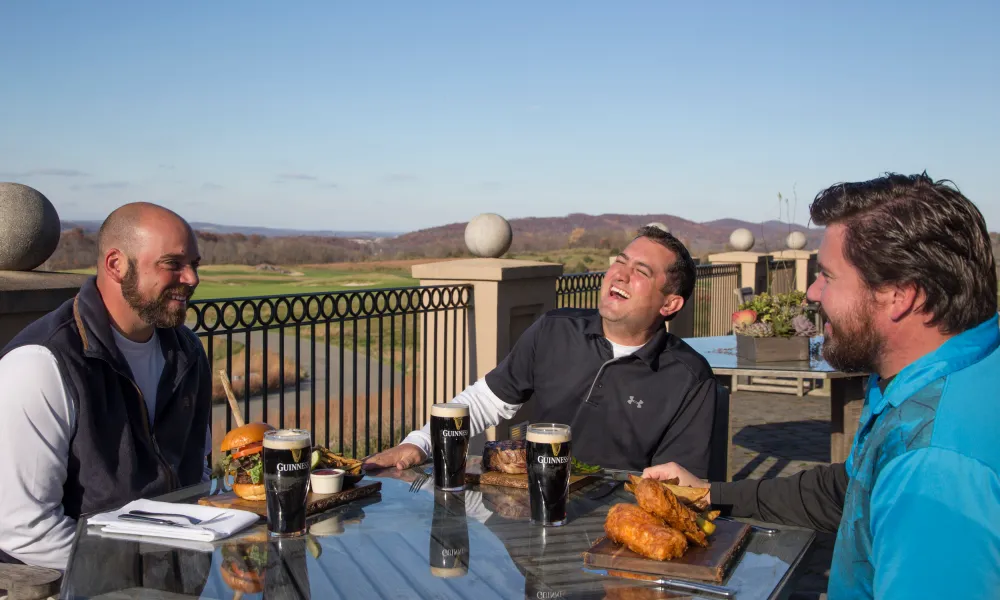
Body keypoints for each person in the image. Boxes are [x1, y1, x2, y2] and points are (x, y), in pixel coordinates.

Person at [644, 173, 1000, 599]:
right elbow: (848, 492)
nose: (812, 293)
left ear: (901, 295)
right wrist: (708, 495)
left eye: (827, 276)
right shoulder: (945, 374)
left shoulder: (934, 464)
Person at [365, 225, 719, 476]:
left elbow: (678, 483)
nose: (619, 275)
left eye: (640, 271)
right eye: (619, 262)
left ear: (670, 304)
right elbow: (487, 400)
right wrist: (420, 443)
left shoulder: (688, 377)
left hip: (617, 530)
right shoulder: (554, 330)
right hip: (532, 505)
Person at [0, 202, 213, 570]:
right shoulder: (43, 363)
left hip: (177, 571)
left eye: (194, 264)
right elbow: (23, 528)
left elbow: (198, 473)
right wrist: (135, 567)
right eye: (173, 264)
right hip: (73, 583)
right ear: (116, 265)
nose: (191, 278)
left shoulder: (187, 351)